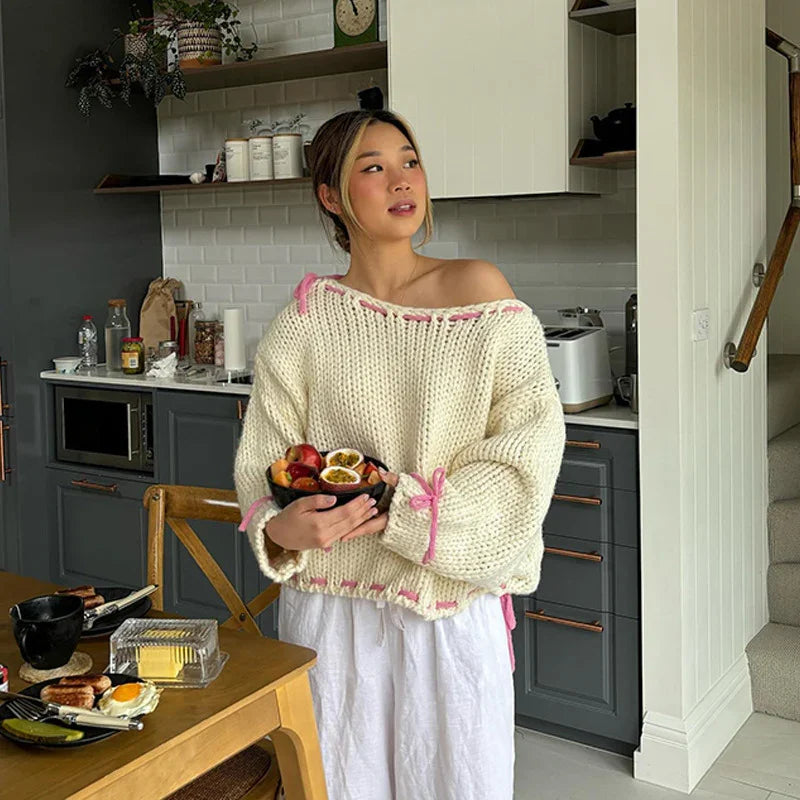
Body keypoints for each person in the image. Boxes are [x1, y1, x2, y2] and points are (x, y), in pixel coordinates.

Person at [234, 109, 565, 800]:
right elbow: (265, 456)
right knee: (337, 781)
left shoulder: (481, 295)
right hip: (330, 610)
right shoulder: (304, 321)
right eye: (373, 166)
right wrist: (279, 527)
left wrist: (409, 514)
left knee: (458, 785)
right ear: (331, 196)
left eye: (409, 160)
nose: (401, 180)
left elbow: (528, 452)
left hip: (444, 606)